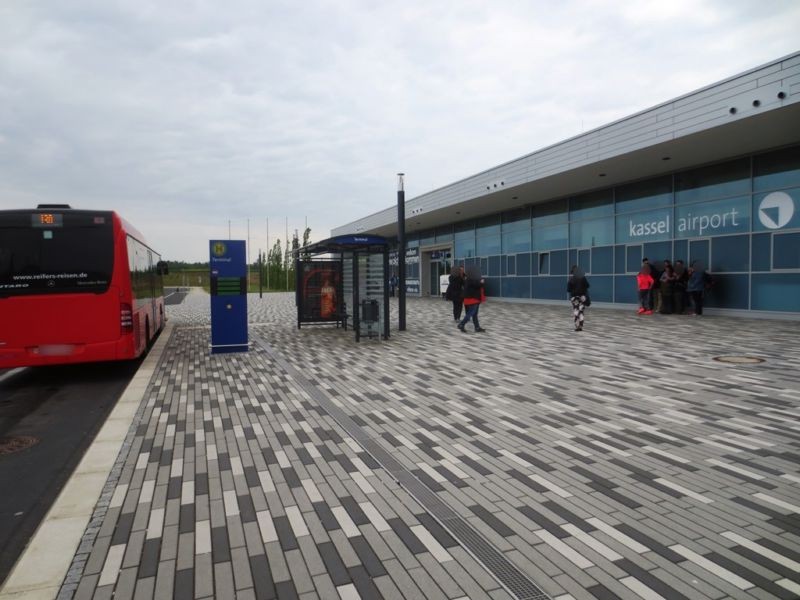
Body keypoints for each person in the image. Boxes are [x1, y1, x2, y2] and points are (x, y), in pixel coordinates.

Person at [457, 265, 486, 333]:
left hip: (474, 298)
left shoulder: (470, 278)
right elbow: (477, 285)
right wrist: (481, 282)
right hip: (472, 299)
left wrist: (480, 282)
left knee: (474, 314)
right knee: (471, 313)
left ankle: (477, 327)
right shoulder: (471, 279)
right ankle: (461, 324)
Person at [567, 265, 590, 331]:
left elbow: (568, 290)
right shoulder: (583, 277)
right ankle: (581, 326)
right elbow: (588, 286)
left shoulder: (571, 279)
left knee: (576, 310)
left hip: (574, 298)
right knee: (581, 311)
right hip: (582, 297)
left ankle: (577, 325)